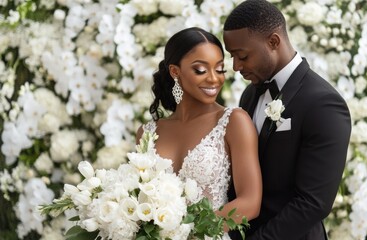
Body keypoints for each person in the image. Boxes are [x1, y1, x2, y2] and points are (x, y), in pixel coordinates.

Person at [223, 1, 352, 239]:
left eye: (242, 56)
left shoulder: (324, 104)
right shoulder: (250, 94)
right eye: (232, 57)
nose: (235, 66)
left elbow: (313, 203)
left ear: (273, 42)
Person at [135, 27, 262, 238]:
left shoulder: (234, 122)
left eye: (220, 69)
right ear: (175, 71)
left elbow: (250, 203)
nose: (214, 79)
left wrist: (189, 234)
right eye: (201, 70)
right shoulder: (147, 133)